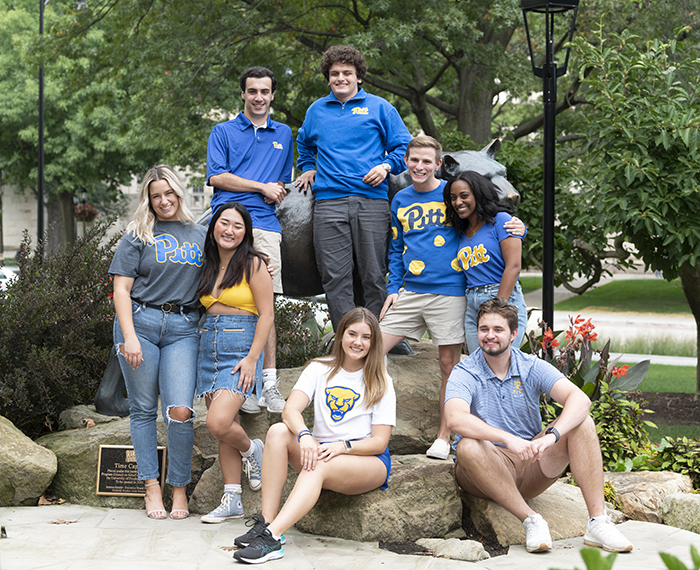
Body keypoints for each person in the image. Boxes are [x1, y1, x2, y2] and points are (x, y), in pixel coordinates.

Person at [445, 298, 633, 554]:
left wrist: (552, 436)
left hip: (532, 460)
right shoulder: (465, 371)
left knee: (583, 423)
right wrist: (506, 438)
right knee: (467, 446)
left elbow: (579, 399)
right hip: (485, 466)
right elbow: (455, 418)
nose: (490, 336)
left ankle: (598, 522)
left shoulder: (530, 366)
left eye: (498, 330)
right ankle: (531, 520)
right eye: (484, 329)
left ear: (513, 334)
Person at [380, 136, 525, 461]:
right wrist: (392, 289)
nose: (419, 167)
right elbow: (394, 247)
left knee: (450, 365)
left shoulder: (451, 194)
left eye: (426, 161)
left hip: (451, 293)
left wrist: (517, 226)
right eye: (414, 160)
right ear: (406, 160)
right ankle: (374, 431)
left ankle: (445, 437)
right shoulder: (400, 199)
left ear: (438, 164)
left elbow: (485, 221)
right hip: (412, 291)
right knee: (372, 349)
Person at [232, 307, 396, 564]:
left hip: (367, 460)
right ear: (340, 335)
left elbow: (379, 442)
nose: (358, 342)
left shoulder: (380, 380)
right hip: (321, 449)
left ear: (373, 342)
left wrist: (343, 446)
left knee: (319, 461)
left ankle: (272, 539)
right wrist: (306, 436)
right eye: (352, 334)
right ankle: (267, 522)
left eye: (366, 337)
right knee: (277, 432)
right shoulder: (319, 368)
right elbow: (290, 410)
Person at [110, 165, 206, 520]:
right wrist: (130, 337)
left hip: (183, 326)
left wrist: (261, 268)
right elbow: (121, 289)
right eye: (156, 196)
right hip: (141, 325)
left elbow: (228, 265)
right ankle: (151, 488)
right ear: (148, 200)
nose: (163, 201)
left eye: (169, 193)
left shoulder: (200, 233)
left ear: (179, 193)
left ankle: (178, 488)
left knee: (180, 410)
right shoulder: (138, 235)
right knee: (143, 410)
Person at [295, 44, 412, 330]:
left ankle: (375, 339)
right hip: (328, 204)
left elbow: (404, 147)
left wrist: (386, 166)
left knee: (373, 275)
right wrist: (308, 167)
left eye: (347, 72)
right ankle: (346, 339)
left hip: (371, 201)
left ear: (358, 76)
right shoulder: (316, 110)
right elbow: (304, 144)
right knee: (335, 277)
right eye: (334, 73)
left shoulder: (380, 107)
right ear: (328, 78)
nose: (340, 78)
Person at [207, 66, 292, 414]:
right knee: (219, 297)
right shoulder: (223, 131)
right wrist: (260, 186)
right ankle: (232, 378)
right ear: (242, 94)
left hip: (265, 225)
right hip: (226, 221)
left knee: (266, 302)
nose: (259, 97)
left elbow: (281, 184)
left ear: (272, 96)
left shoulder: (285, 133)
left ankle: (267, 384)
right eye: (252, 91)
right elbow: (217, 176)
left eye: (265, 92)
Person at [196, 202, 275, 523]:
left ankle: (252, 450)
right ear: (213, 226)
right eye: (224, 223)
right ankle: (232, 499)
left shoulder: (254, 265)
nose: (229, 230)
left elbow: (267, 315)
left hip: (240, 349)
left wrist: (252, 359)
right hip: (208, 349)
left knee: (217, 421)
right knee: (224, 428)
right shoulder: (206, 264)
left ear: (246, 233)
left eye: (238, 226)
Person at [444, 171, 528, 354]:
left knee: (501, 364)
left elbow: (513, 267)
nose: (458, 202)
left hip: (503, 298)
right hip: (472, 304)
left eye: (464, 196)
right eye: (453, 198)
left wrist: (498, 308)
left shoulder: (501, 221)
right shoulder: (461, 230)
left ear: (478, 194)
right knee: (480, 367)